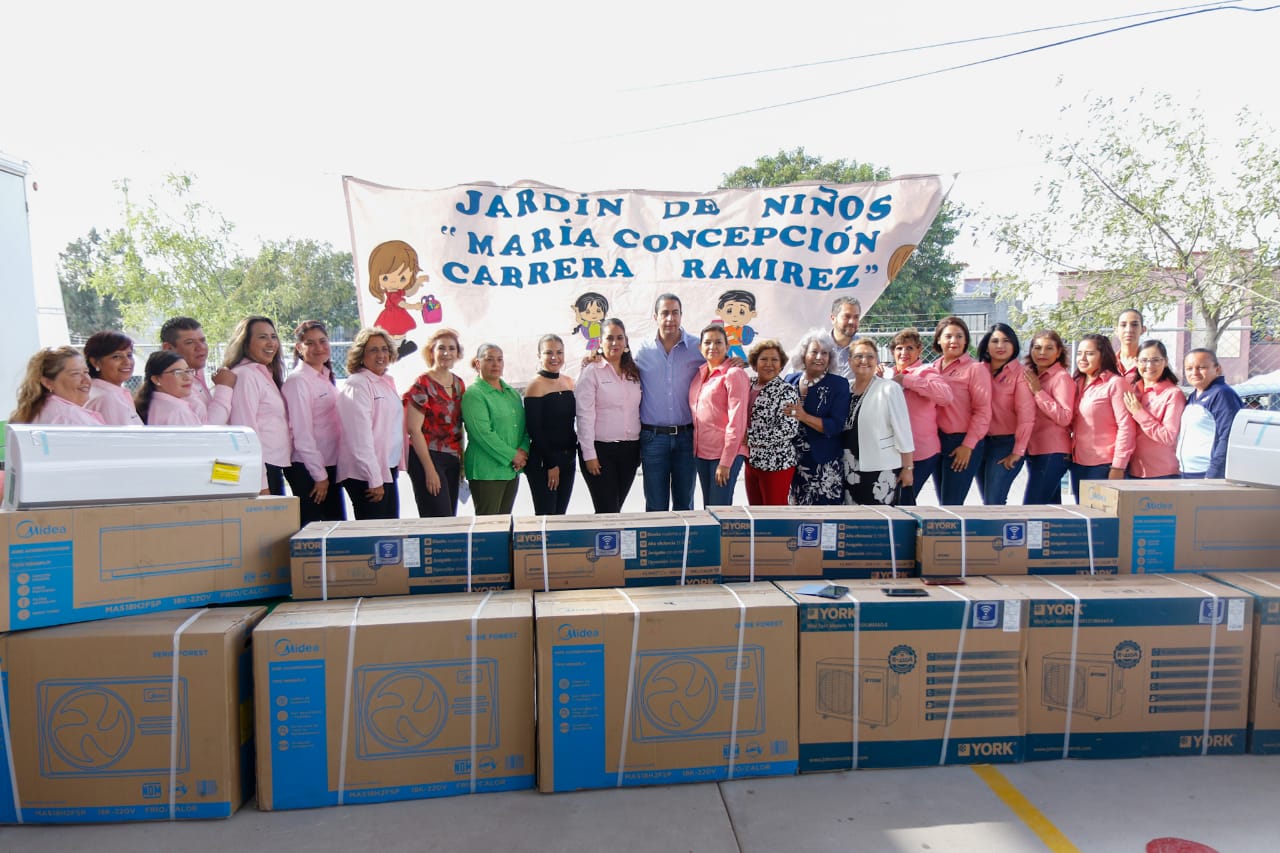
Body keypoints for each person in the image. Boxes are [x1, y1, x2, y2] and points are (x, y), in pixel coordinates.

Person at [634, 293, 704, 511]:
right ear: (655, 316)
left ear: (681, 315)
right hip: (653, 438)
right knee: (656, 506)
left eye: (675, 313)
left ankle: (684, 536)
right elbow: (616, 365)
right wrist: (595, 357)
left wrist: (736, 361)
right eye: (664, 313)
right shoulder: (641, 350)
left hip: (687, 437)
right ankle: (657, 535)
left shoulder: (699, 347)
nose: (670, 318)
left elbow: (721, 367)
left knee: (685, 504)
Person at [575, 318, 642, 514]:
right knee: (607, 511)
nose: (615, 343)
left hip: (630, 451)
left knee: (615, 510)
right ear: (600, 342)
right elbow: (584, 416)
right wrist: (589, 454)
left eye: (619, 338)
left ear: (626, 341)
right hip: (601, 451)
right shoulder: (591, 372)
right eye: (609, 338)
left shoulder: (634, 372)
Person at [282, 320, 345, 524]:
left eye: (323, 341)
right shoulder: (298, 381)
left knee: (335, 527)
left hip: (329, 465)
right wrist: (320, 476)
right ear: (299, 348)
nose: (319, 347)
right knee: (314, 531)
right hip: (309, 470)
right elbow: (302, 433)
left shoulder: (324, 377)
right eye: (310, 343)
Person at [336, 327, 403, 520]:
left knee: (390, 529)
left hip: (385, 468)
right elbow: (360, 438)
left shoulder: (384, 381)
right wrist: (374, 478)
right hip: (366, 475)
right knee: (376, 532)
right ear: (361, 355)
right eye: (373, 350)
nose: (381, 355)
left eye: (384, 349)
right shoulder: (358, 384)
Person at [224, 315, 292, 496]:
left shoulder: (263, 372)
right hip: (261, 469)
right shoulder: (245, 375)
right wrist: (261, 483)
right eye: (262, 337)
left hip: (272, 466)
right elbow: (246, 431)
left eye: (273, 337)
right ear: (245, 343)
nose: (271, 343)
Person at [404, 328, 467, 518]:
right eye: (441, 348)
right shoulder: (422, 383)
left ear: (458, 353)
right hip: (427, 456)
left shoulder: (459, 384)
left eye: (451, 348)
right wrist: (429, 470)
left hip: (452, 458)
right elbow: (413, 430)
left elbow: (459, 426)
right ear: (431, 352)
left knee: (450, 518)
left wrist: (461, 463)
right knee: (438, 518)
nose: (447, 353)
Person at [842, 338, 914, 505]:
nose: (864, 360)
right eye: (858, 356)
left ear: (877, 360)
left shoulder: (889, 388)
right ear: (850, 361)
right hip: (850, 468)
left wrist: (908, 467)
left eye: (870, 356)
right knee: (853, 516)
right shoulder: (845, 388)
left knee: (880, 517)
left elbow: (903, 430)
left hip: (881, 468)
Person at [783, 330, 850, 505]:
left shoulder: (839, 385)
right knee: (797, 514)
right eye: (814, 352)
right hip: (792, 462)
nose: (819, 357)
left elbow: (835, 426)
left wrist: (804, 416)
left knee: (825, 516)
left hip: (824, 464)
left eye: (825, 353)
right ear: (803, 354)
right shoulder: (790, 380)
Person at [461, 343, 529, 515]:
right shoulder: (474, 394)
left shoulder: (511, 393)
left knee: (504, 524)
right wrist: (513, 455)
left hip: (511, 470)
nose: (495, 364)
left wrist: (523, 451)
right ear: (478, 363)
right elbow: (482, 434)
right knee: (488, 525)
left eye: (499, 359)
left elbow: (524, 427)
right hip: (486, 471)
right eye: (489, 359)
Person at [931, 316, 992, 505]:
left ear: (966, 340)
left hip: (962, 442)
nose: (954, 341)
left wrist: (968, 446)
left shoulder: (975, 369)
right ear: (938, 340)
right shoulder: (933, 368)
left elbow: (983, 411)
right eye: (948, 336)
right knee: (943, 502)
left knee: (952, 504)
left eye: (959, 336)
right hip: (937, 441)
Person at [689, 324, 750, 507]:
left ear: (727, 346)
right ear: (700, 347)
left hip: (724, 454)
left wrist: (726, 462)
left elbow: (737, 421)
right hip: (703, 453)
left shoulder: (734, 374)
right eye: (707, 342)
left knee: (719, 509)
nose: (712, 347)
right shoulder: (700, 374)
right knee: (709, 509)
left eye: (718, 342)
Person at [889, 328, 952, 505]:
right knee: (895, 500)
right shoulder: (887, 374)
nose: (904, 353)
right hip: (893, 452)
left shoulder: (926, 372)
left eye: (909, 348)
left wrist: (907, 380)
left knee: (903, 500)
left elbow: (946, 397)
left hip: (920, 453)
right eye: (899, 348)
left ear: (919, 350)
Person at [1070, 333, 1135, 501]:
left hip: (1104, 465)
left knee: (1100, 514)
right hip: (1078, 463)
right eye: (1079, 353)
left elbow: (1126, 426)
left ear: (1103, 355)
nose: (1082, 358)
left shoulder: (1115, 383)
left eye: (1090, 353)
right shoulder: (1077, 383)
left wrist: (1118, 466)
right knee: (1082, 513)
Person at [976, 324, 1034, 505]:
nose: (1000, 346)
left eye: (1006, 341)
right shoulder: (977, 370)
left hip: (1006, 444)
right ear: (986, 346)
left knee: (994, 501)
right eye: (995, 341)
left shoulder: (1021, 374)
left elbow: (1026, 416)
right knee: (988, 500)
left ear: (1014, 345)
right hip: (979, 442)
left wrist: (1018, 452)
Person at [524, 334, 578, 515]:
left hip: (568, 459)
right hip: (544, 462)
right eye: (548, 353)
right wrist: (551, 464)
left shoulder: (569, 381)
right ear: (539, 356)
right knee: (547, 517)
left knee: (560, 517)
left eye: (559, 352)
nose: (555, 357)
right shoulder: (535, 385)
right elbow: (535, 429)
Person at [741, 339, 800, 505]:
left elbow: (788, 429)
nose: (769, 364)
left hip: (776, 464)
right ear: (754, 363)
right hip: (751, 462)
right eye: (763, 359)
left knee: (774, 514)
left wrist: (751, 437)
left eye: (774, 360)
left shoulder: (786, 391)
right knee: (756, 512)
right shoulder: (748, 384)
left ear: (781, 365)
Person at [1021, 330, 1076, 504]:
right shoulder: (1032, 376)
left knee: (1032, 507)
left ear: (1058, 352)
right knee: (1050, 511)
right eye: (1037, 348)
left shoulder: (1061, 378)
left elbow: (1065, 417)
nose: (1042, 353)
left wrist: (1039, 392)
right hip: (1035, 450)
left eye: (1049, 348)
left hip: (1053, 452)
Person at [1123, 339, 1185, 480]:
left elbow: (1168, 437)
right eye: (1144, 360)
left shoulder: (1173, 394)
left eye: (1156, 360)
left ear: (1165, 361)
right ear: (1136, 362)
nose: (1149, 366)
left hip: (1161, 473)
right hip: (1132, 470)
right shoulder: (1133, 391)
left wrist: (1139, 413)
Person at [1177, 347, 1243, 479]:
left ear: (1217, 369)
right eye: (1189, 368)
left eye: (1201, 367)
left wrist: (1213, 473)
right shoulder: (1194, 395)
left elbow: (1227, 436)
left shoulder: (1222, 394)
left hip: (1206, 474)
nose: (1194, 372)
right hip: (1187, 472)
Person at [159, 316, 236, 424]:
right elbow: (210, 428)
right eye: (189, 342)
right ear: (168, 348)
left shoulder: (195, 374)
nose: (201, 347)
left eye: (202, 341)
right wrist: (224, 387)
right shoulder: (173, 384)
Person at [8, 346, 104, 426]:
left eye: (86, 372)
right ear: (48, 382)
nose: (86, 380)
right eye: (75, 373)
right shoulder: (71, 418)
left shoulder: (29, 413)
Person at [83, 331, 142, 426]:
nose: (127, 362)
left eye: (129, 355)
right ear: (95, 362)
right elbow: (123, 435)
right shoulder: (108, 399)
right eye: (116, 357)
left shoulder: (101, 391)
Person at [135, 350, 201, 426]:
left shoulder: (152, 403)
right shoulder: (178, 411)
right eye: (178, 373)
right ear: (156, 379)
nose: (187, 377)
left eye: (188, 371)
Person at [829, 296, 862, 379]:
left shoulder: (865, 347)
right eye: (847, 316)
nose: (852, 321)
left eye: (856, 317)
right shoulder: (820, 346)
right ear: (833, 318)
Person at [1115, 308, 1147, 382]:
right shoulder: (1107, 363)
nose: (1129, 330)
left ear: (1143, 330)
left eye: (1134, 325)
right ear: (1116, 330)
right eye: (1123, 325)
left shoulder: (1151, 363)